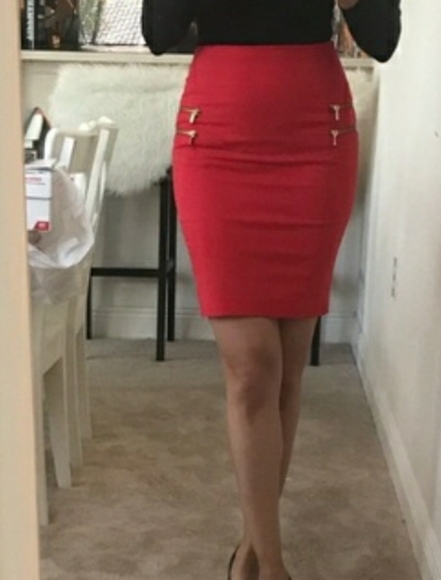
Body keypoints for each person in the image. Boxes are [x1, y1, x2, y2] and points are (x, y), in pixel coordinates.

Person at [141, 2, 401, 579]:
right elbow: (158, 32)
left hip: (314, 138)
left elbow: (383, 39)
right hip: (218, 138)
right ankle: (274, 567)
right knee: (253, 367)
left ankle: (252, 551)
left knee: (286, 366)